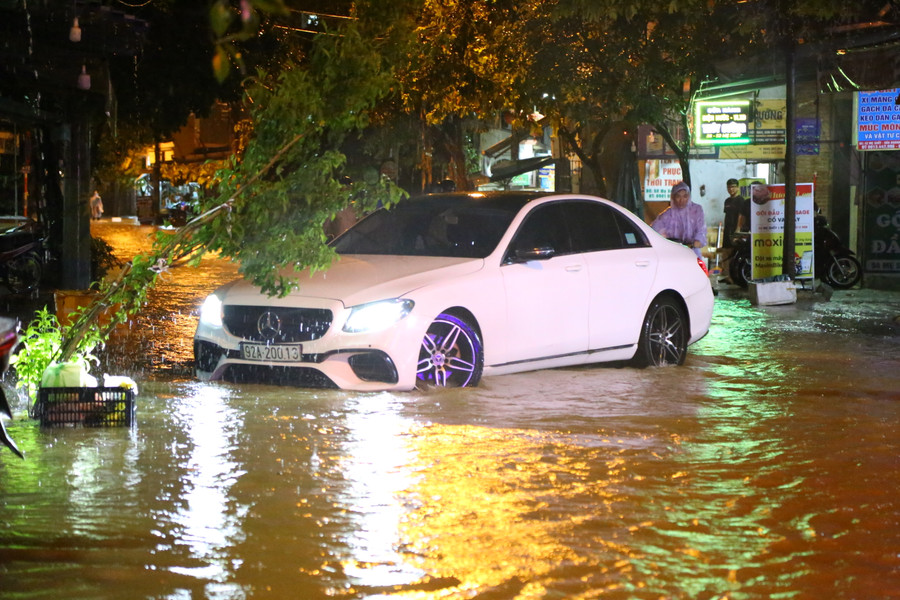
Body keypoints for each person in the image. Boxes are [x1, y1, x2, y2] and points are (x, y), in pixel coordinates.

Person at [651, 181, 706, 258]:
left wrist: (696, 242)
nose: (681, 200)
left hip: (692, 252)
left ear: (689, 196)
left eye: (685, 196)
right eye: (678, 196)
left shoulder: (696, 210)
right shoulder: (667, 214)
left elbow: (701, 230)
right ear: (673, 197)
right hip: (674, 254)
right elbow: (654, 231)